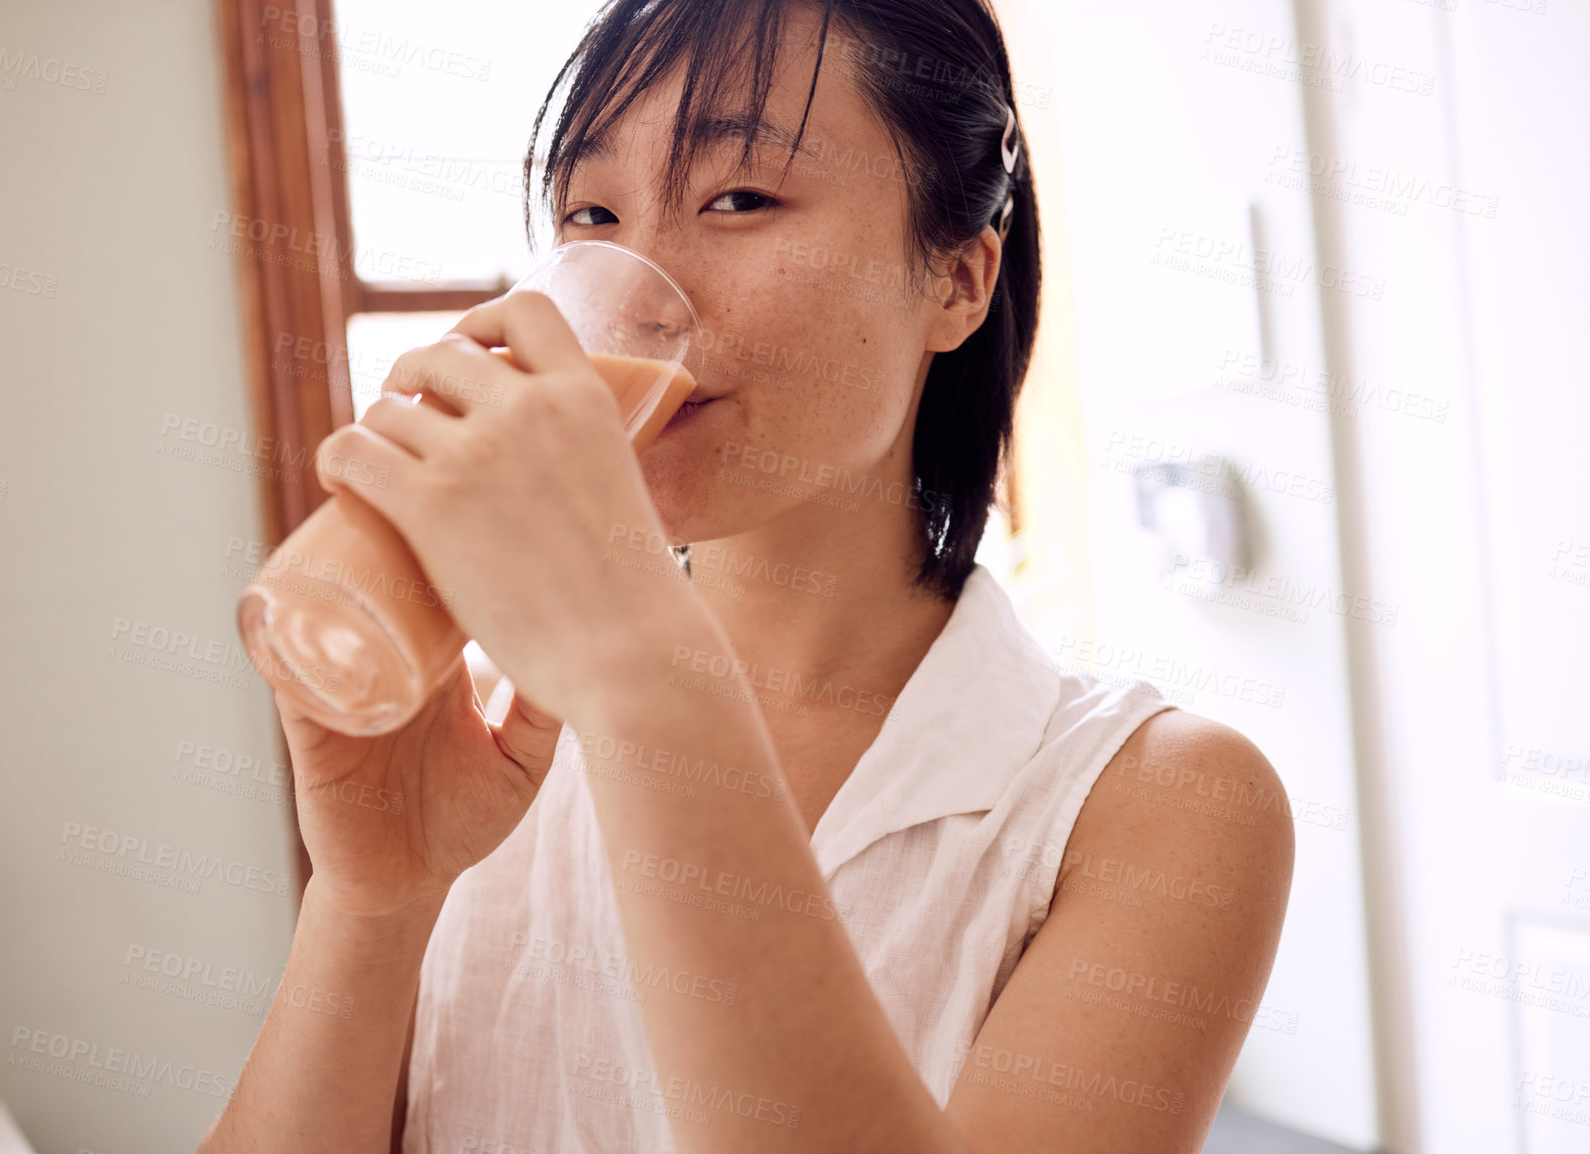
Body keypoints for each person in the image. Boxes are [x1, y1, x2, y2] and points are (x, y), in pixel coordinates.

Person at [199, 0, 1294, 1150]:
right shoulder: (485, 746)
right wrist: (371, 902)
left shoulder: (1161, 806)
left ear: (960, 279)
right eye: (593, 214)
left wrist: (645, 673)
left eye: (740, 198)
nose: (640, 282)